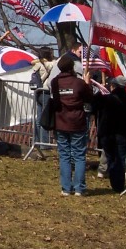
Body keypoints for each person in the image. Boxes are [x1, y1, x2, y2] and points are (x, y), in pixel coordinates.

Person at [50, 55, 92, 196]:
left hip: (61, 121)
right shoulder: (78, 83)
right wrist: (87, 84)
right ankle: (79, 188)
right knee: (79, 155)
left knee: (64, 155)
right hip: (77, 121)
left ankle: (66, 188)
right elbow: (89, 98)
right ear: (72, 67)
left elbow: (56, 101)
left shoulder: (55, 82)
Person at [30, 47, 56, 145]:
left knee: (39, 118)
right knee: (45, 118)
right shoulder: (50, 64)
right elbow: (55, 64)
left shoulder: (37, 64)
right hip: (46, 91)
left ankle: (37, 141)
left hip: (38, 91)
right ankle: (44, 143)